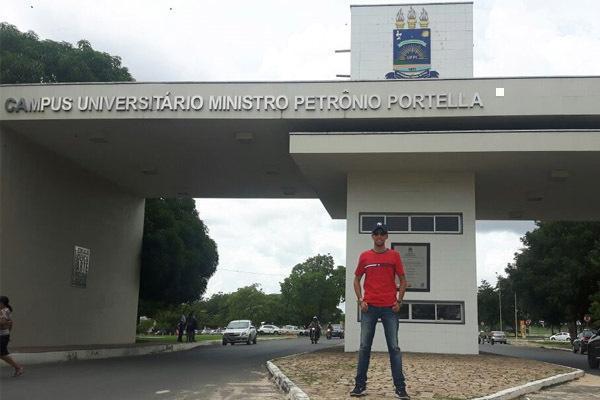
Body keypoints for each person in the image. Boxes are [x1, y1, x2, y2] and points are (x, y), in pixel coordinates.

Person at [350, 223, 410, 399]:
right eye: (376, 234)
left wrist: (399, 300)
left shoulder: (394, 256)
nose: (379, 237)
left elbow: (403, 280)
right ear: (372, 237)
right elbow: (356, 280)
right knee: (364, 347)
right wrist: (360, 299)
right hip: (369, 308)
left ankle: (400, 388)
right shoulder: (365, 257)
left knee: (394, 348)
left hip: (389, 308)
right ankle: (359, 386)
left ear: (386, 236)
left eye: (382, 234)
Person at [0, 296, 24, 377]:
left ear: (2, 303)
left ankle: (18, 367)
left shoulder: (4, 310)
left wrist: (7, 332)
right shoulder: (4, 310)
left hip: (2, 336)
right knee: (2, 354)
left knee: (2, 354)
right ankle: (18, 367)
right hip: (4, 335)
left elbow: (2, 323)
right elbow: (9, 323)